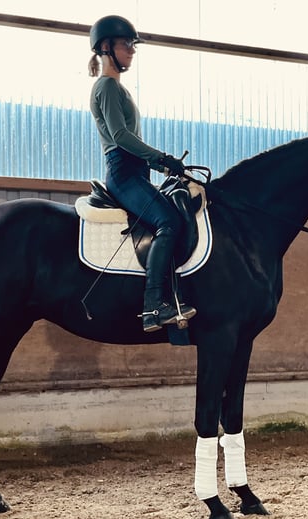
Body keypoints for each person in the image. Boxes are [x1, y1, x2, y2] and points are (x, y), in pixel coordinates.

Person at [88, 15, 196, 333]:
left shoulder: (116, 88)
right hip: (123, 175)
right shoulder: (107, 86)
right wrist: (160, 157)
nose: (132, 51)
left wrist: (163, 166)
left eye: (133, 46)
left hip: (135, 171)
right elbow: (120, 137)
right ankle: (153, 306)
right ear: (107, 48)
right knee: (169, 221)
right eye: (126, 45)